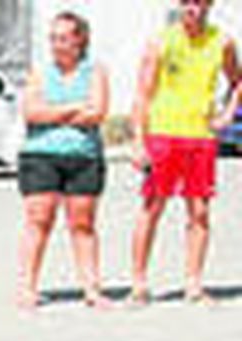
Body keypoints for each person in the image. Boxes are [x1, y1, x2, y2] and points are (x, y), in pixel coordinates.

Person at [129, 0, 242, 305]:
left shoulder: (223, 41)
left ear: (209, 5)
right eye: (187, 2)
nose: (192, 8)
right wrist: (138, 140)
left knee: (200, 213)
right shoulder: (161, 41)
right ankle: (139, 283)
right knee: (152, 208)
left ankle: (193, 283)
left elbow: (237, 80)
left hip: (201, 137)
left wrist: (228, 113)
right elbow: (142, 93)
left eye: (199, 2)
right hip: (163, 133)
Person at [17, 11, 111, 310]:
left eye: (64, 38)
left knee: (82, 224)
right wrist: (72, 109)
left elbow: (96, 112)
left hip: (84, 156)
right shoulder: (39, 73)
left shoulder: (94, 72)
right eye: (53, 38)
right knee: (39, 220)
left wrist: (53, 112)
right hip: (40, 155)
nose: (57, 45)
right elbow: (32, 113)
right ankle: (27, 288)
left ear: (80, 39)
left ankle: (92, 289)